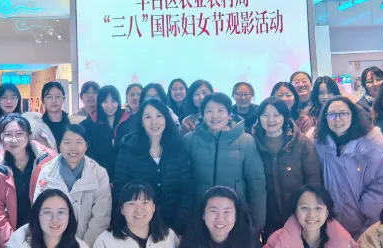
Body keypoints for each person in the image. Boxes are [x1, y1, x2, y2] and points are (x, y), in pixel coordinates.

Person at [184, 92, 267, 232]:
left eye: (220, 110)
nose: (215, 116)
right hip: (200, 214)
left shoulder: (245, 141)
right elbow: (183, 181)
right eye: (209, 111)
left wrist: (258, 222)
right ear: (202, 114)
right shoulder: (189, 140)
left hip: (236, 214)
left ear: (229, 114)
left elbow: (257, 183)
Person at [313, 97, 383, 239]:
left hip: (360, 221)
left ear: (352, 115)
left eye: (343, 113)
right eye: (332, 114)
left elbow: (382, 182)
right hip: (325, 221)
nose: (337, 119)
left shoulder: (369, 146)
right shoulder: (317, 145)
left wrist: (367, 208)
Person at [112, 98, 193, 235]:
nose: (154, 122)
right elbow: (120, 190)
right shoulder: (128, 149)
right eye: (148, 117)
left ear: (166, 119)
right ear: (141, 121)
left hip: (173, 225)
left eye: (159, 116)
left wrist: (177, 228)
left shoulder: (178, 148)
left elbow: (186, 192)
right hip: (137, 225)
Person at [0, 114, 57, 248]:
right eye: (8, 135)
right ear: (0, 138)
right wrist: (12, 246)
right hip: (13, 238)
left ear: (28, 135)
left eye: (19, 134)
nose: (14, 139)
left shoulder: (49, 159)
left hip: (46, 235)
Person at [31, 124, 111, 247]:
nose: (73, 148)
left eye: (79, 142)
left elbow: (101, 217)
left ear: (86, 146)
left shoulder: (99, 173)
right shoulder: (46, 171)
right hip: (53, 242)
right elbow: (39, 209)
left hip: (89, 244)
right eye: (67, 142)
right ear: (59, 145)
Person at [253, 97, 322, 238]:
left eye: (276, 115)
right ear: (259, 118)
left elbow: (313, 180)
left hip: (298, 215)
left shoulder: (301, 143)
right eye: (265, 115)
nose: (271, 120)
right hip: (267, 218)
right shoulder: (253, 143)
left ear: (285, 117)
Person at [84, 84, 126, 177]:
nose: (110, 106)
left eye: (113, 101)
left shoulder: (128, 122)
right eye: (105, 101)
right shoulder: (89, 124)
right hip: (99, 177)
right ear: (99, 103)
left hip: (125, 176)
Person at [38, 81, 84, 150]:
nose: (54, 101)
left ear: (63, 99)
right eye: (49, 97)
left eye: (58, 96)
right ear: (43, 101)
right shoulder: (36, 128)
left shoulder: (75, 123)